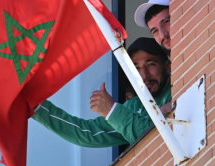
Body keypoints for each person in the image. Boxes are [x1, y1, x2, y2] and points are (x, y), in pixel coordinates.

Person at [32, 37, 171, 147]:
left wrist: (112, 111)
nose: (144, 75)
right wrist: (37, 106)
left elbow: (158, 138)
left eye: (151, 64)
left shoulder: (179, 86)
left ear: (167, 66)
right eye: (137, 69)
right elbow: (86, 132)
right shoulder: (135, 106)